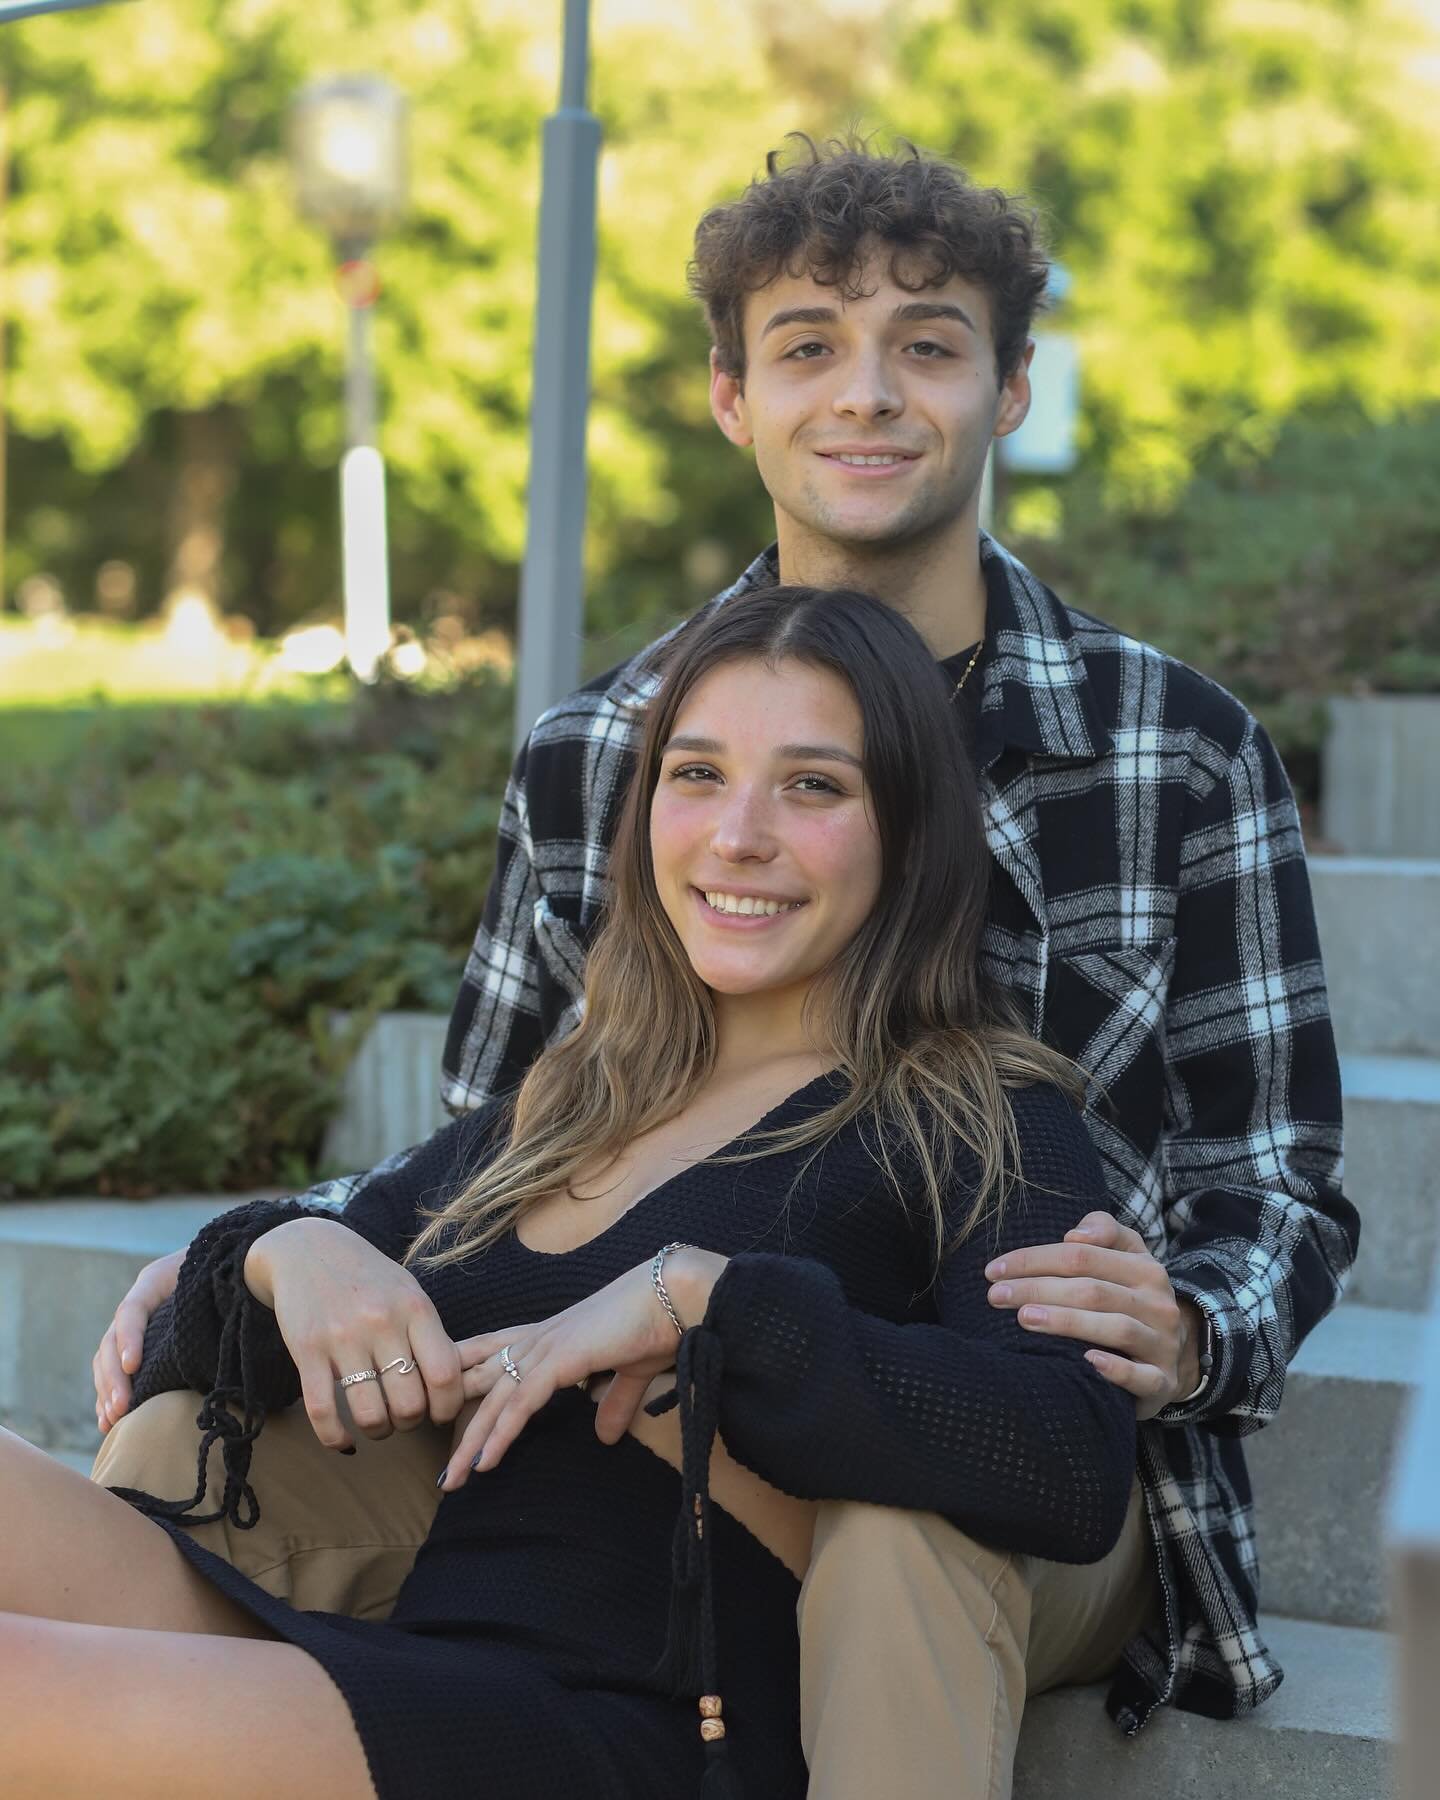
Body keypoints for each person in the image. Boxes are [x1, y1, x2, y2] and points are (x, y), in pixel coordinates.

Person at [91, 136, 1358, 1796]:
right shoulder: (598, 749)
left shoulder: (1175, 751)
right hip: (631, 1410)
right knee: (198, 1434)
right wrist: (286, 1255)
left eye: (928, 345)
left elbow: (1278, 1179)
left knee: (911, 1509)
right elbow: (513, 1136)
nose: (869, 394)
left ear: (1012, 389)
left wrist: (1192, 1332)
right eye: (810, 345)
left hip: (1005, 1434)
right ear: (731, 397)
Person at [5, 585, 1137, 1799]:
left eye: (813, 786)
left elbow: (1064, 1461)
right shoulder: (571, 1102)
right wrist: (292, 1253)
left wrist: (706, 1306)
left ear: (908, 831)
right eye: (697, 776)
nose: (737, 835)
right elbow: (194, 1364)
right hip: (404, 1652)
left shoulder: (973, 1116)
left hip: (607, 1718)